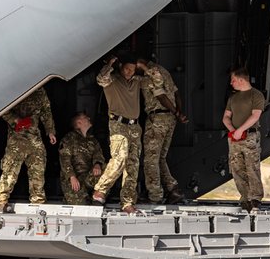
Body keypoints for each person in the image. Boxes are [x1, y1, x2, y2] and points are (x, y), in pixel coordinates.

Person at [91, 57, 144, 213]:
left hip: (135, 127)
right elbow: (101, 78)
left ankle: (127, 201)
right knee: (120, 158)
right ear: (121, 66)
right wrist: (109, 65)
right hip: (118, 124)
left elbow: (157, 81)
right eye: (127, 68)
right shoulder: (112, 80)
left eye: (133, 69)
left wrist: (144, 67)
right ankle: (100, 190)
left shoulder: (137, 81)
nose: (130, 72)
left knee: (132, 166)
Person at [0, 88, 56, 212]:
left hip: (34, 137)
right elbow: (3, 109)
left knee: (38, 169)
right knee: (10, 170)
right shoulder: (18, 86)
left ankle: (38, 201)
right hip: (17, 138)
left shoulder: (40, 91)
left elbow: (46, 111)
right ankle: (1, 200)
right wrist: (15, 120)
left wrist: (50, 131)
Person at [137, 57, 186, 204]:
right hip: (169, 119)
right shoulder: (164, 71)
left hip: (157, 118)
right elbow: (177, 93)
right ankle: (173, 188)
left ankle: (155, 195)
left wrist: (177, 113)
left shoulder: (150, 74)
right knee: (160, 158)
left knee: (151, 159)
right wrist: (177, 113)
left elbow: (161, 96)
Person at [222, 67, 265, 213]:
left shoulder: (256, 95)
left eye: (233, 80)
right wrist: (233, 131)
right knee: (236, 168)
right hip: (235, 138)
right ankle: (245, 198)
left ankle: (256, 198)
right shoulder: (233, 98)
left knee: (252, 167)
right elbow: (226, 117)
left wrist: (240, 130)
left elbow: (255, 116)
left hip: (250, 136)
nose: (231, 83)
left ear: (241, 80)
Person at [57, 112, 105, 205]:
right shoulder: (69, 139)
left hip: (88, 177)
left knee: (108, 168)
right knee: (81, 206)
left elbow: (98, 154)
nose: (89, 118)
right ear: (79, 123)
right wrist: (72, 176)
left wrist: (97, 164)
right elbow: (64, 159)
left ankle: (98, 196)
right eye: (85, 117)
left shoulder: (92, 140)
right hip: (74, 180)